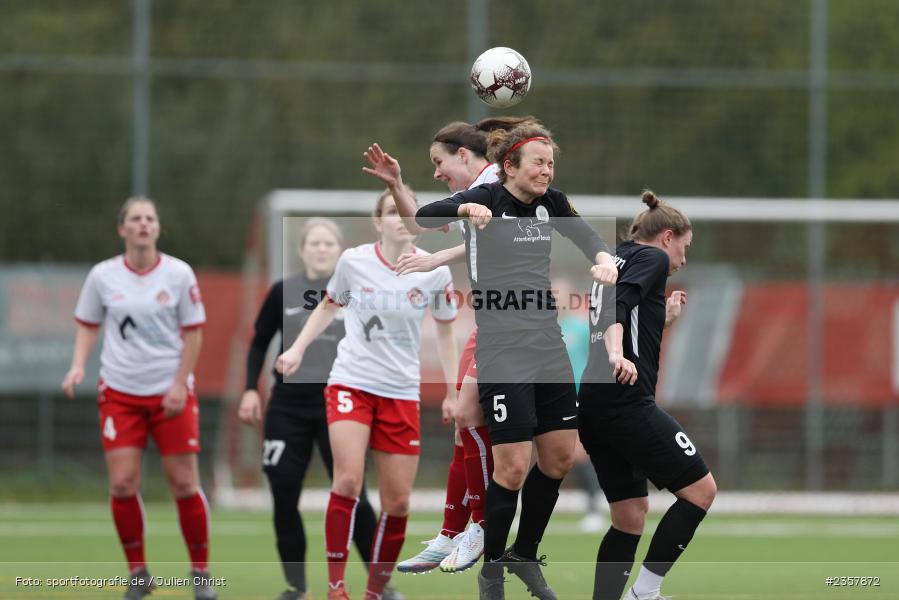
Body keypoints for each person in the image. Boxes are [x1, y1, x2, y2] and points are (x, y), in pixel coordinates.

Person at [414, 122, 618, 600]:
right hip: (503, 349)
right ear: (510, 166)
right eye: (538, 163)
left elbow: (589, 237)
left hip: (548, 345)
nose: (547, 171)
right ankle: (491, 572)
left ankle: (523, 555)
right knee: (511, 469)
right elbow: (424, 215)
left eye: (551, 164)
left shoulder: (553, 203)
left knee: (559, 458)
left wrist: (605, 259)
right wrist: (464, 207)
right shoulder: (487, 197)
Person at [362, 116, 536, 575]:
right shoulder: (475, 192)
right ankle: (451, 531)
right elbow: (422, 223)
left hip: (515, 325)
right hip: (488, 322)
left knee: (470, 417)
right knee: (463, 422)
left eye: (439, 163)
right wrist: (396, 183)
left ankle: (480, 524)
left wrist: (442, 253)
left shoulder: (498, 183)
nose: (436, 173)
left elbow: (513, 231)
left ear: (463, 154)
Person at [275, 188, 459, 600]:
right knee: (347, 481)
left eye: (409, 212)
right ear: (378, 222)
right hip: (351, 383)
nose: (402, 219)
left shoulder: (435, 271)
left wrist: (453, 391)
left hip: (401, 393)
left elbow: (446, 333)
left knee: (398, 503)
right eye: (393, 212)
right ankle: (335, 587)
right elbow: (328, 305)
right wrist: (296, 349)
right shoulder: (354, 262)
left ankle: (375, 592)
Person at [237, 218, 403, 600]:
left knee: (353, 492)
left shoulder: (356, 290)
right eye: (314, 242)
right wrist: (249, 390)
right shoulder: (283, 291)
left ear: (339, 250)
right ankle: (297, 587)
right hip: (287, 407)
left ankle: (379, 585)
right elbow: (258, 343)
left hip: (342, 403)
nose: (322, 248)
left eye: (329, 242)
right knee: (283, 493)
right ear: (302, 250)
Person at [61, 197, 216, 600]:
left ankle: (201, 573)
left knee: (184, 483)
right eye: (136, 219)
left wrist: (179, 384)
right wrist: (77, 365)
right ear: (122, 229)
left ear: (158, 228)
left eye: (150, 218)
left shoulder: (179, 274)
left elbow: (194, 333)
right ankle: (138, 574)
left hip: (170, 392)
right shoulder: (103, 276)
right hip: (120, 392)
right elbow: (87, 324)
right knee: (123, 483)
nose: (144, 224)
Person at [578, 191, 716, 600]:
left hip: (594, 404)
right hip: (626, 402)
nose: (683, 259)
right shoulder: (653, 259)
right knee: (701, 491)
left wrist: (663, 319)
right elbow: (618, 309)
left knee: (629, 515)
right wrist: (616, 354)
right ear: (667, 236)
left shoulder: (616, 257)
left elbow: (621, 314)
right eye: (685, 246)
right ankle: (645, 592)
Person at [553, 276, 607, 533]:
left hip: (576, 395)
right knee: (534, 453)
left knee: (579, 455)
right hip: (547, 397)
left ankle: (595, 509)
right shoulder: (543, 329)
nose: (555, 299)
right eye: (552, 294)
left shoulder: (581, 327)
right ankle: (524, 508)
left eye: (560, 294)